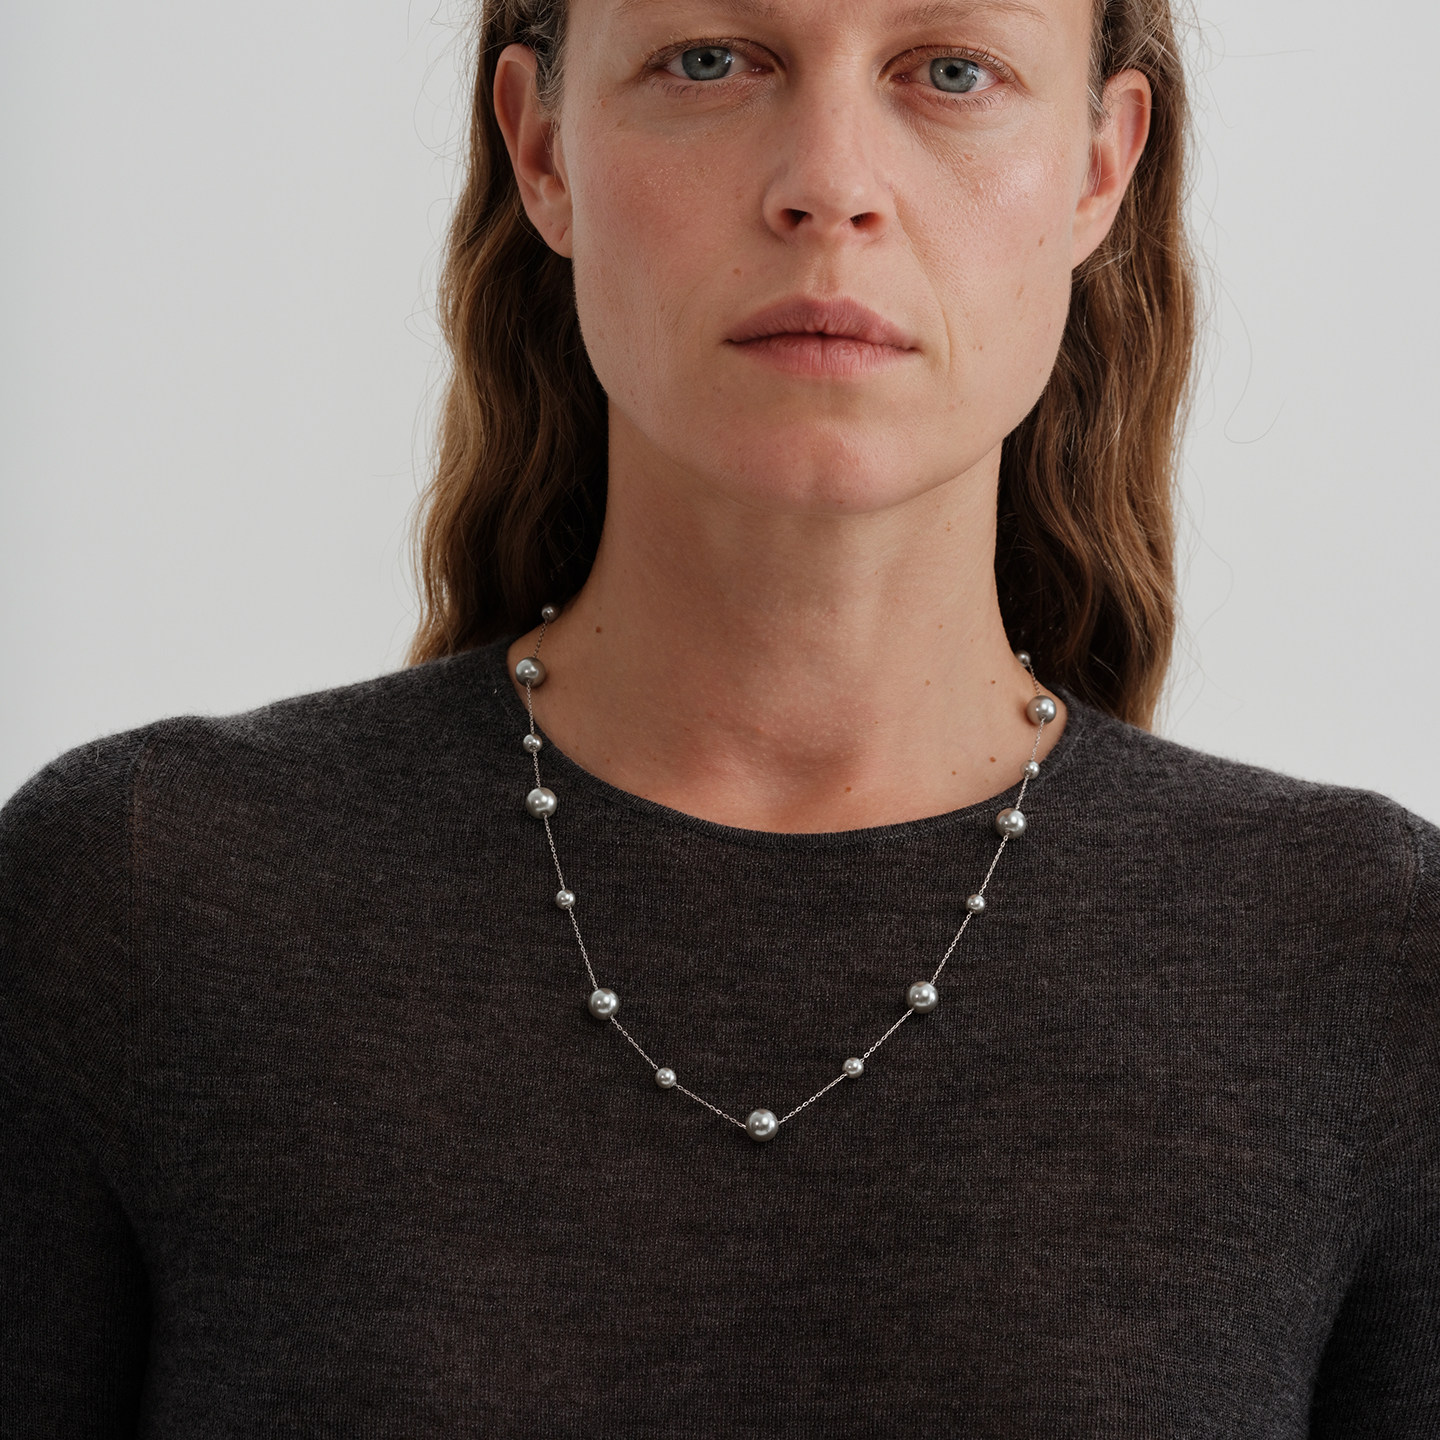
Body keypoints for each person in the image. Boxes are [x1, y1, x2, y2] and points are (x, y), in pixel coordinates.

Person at [2, 0, 1436, 1432]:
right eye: (709, 61)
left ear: (1099, 166)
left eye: (951, 71)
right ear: (543, 150)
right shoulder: (145, 905)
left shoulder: (1367, 965)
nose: (830, 185)